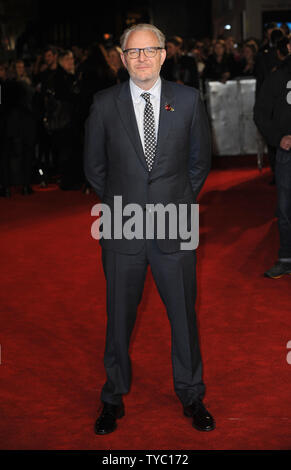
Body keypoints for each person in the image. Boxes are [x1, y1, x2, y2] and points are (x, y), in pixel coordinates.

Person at [84, 23, 214, 435]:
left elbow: (199, 163)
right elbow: (94, 167)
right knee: (118, 318)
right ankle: (112, 396)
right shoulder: (104, 104)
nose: (142, 58)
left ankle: (192, 394)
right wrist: (125, 207)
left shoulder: (189, 100)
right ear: (122, 59)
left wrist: (174, 203)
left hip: (174, 227)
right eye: (133, 52)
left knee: (183, 317)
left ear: (163, 55)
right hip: (122, 227)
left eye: (149, 50)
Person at [254, 37, 291, 279]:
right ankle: (286, 259)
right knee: (286, 209)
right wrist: (279, 138)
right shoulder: (278, 77)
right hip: (287, 155)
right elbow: (260, 113)